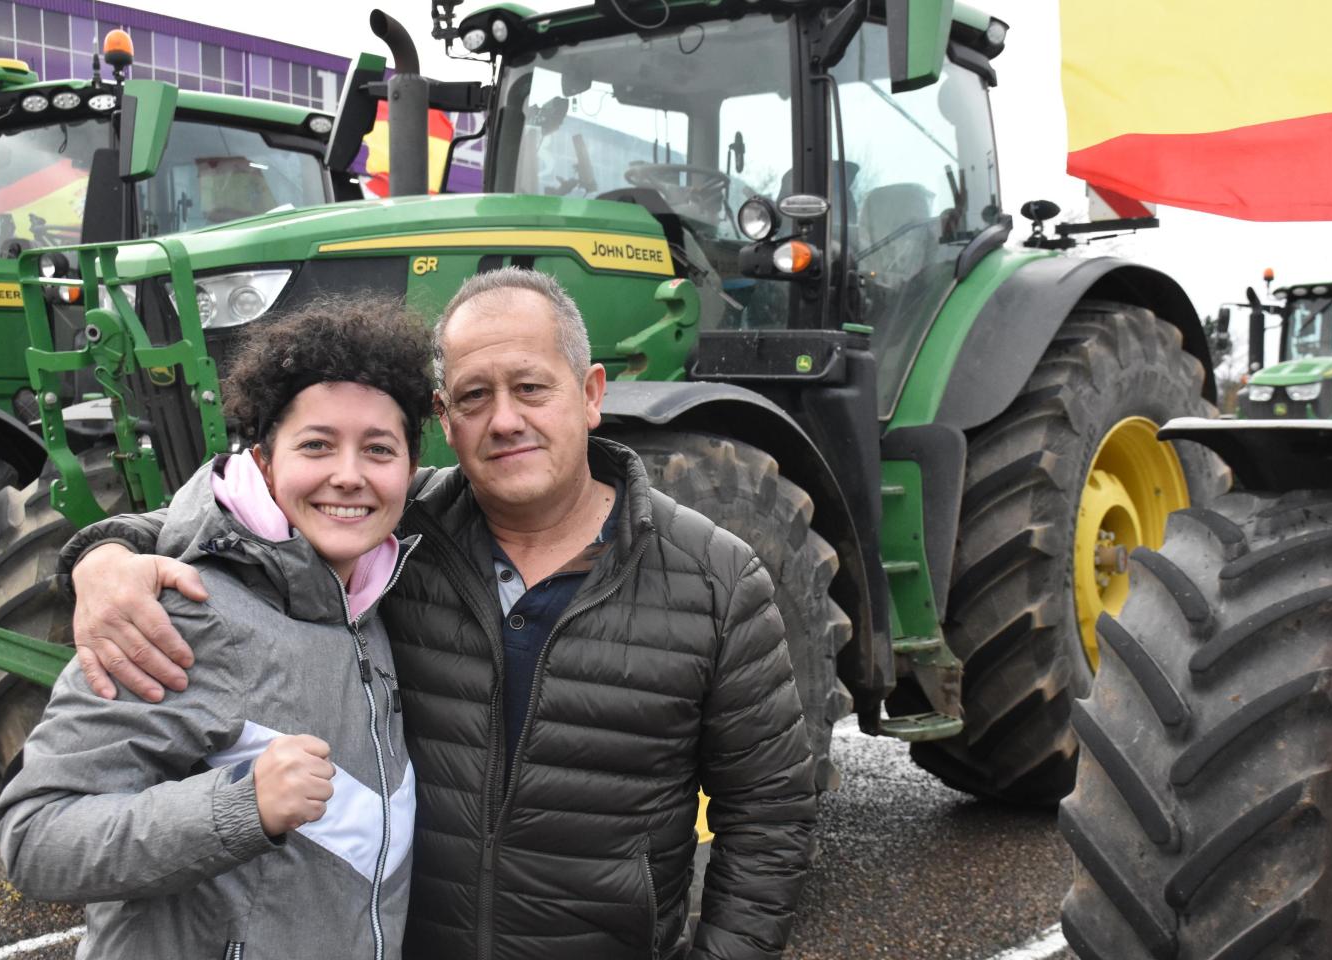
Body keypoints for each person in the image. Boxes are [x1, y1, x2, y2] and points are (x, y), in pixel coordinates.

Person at [62, 267, 817, 959]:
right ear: (445, 419)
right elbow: (240, 515)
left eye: (531, 388)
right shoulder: (392, 529)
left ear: (590, 394)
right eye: (474, 397)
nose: (505, 421)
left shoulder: (716, 581)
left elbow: (769, 814)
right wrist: (106, 556)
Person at [0, 298, 433, 960]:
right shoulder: (182, 608)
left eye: (379, 449)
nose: (349, 474)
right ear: (263, 460)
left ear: (409, 470)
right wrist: (239, 808)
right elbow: (36, 835)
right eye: (316, 445)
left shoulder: (374, 594)